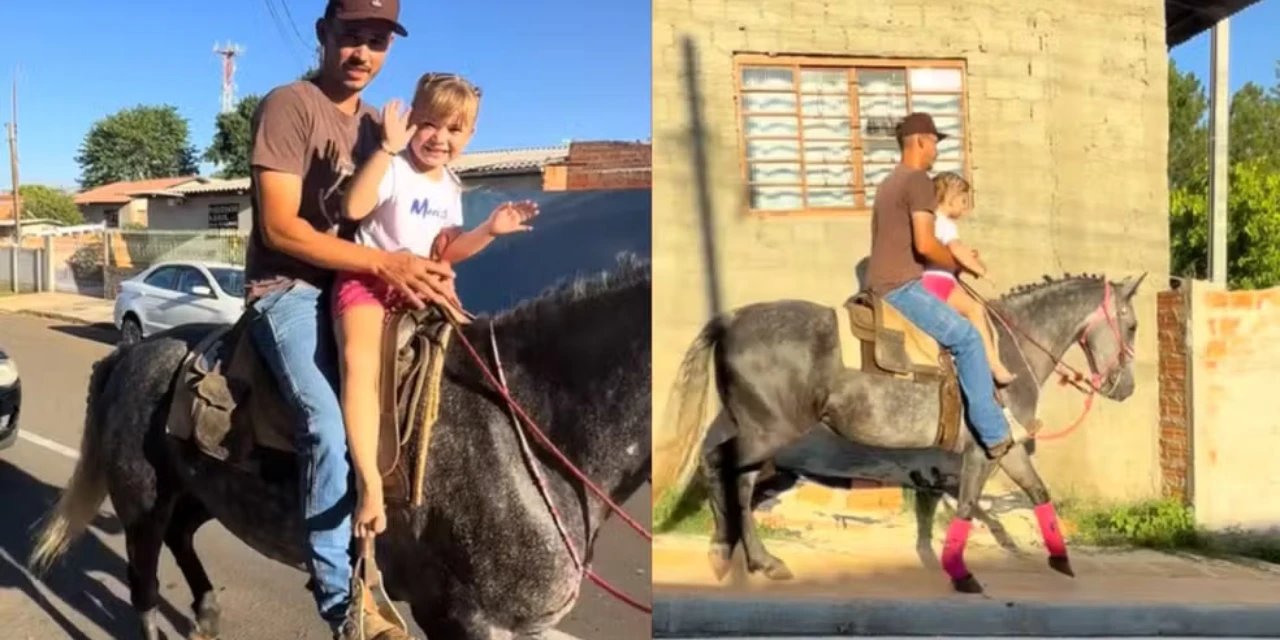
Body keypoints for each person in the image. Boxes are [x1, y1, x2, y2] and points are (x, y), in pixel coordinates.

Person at [244, 1, 455, 637]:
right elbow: (281, 228)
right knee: (326, 425)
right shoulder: (290, 106)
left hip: (364, 283)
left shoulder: (378, 126)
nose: (364, 53)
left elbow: (413, 204)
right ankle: (344, 608)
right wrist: (384, 264)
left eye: (377, 41)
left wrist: (434, 264)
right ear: (323, 34)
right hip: (290, 289)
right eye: (352, 36)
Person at [335, 72, 538, 543]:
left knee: (481, 353)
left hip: (421, 285)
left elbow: (445, 250)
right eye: (429, 124)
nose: (440, 138)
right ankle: (369, 483)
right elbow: (354, 208)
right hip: (368, 282)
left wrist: (489, 230)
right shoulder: (394, 167)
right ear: (412, 121)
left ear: (469, 136)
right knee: (358, 365)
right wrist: (385, 150)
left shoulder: (450, 184)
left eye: (454, 130)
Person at [863, 112, 1029, 460]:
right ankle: (995, 432)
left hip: (881, 280)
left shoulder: (888, 183)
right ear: (920, 141)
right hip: (900, 286)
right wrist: (955, 263)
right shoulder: (919, 181)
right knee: (968, 338)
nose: (936, 149)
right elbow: (925, 245)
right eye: (935, 141)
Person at [920, 171, 1017, 386]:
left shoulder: (929, 222)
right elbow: (957, 250)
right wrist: (981, 270)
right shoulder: (944, 224)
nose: (965, 207)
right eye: (963, 201)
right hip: (939, 282)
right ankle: (994, 365)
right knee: (975, 310)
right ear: (950, 198)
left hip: (935, 279)